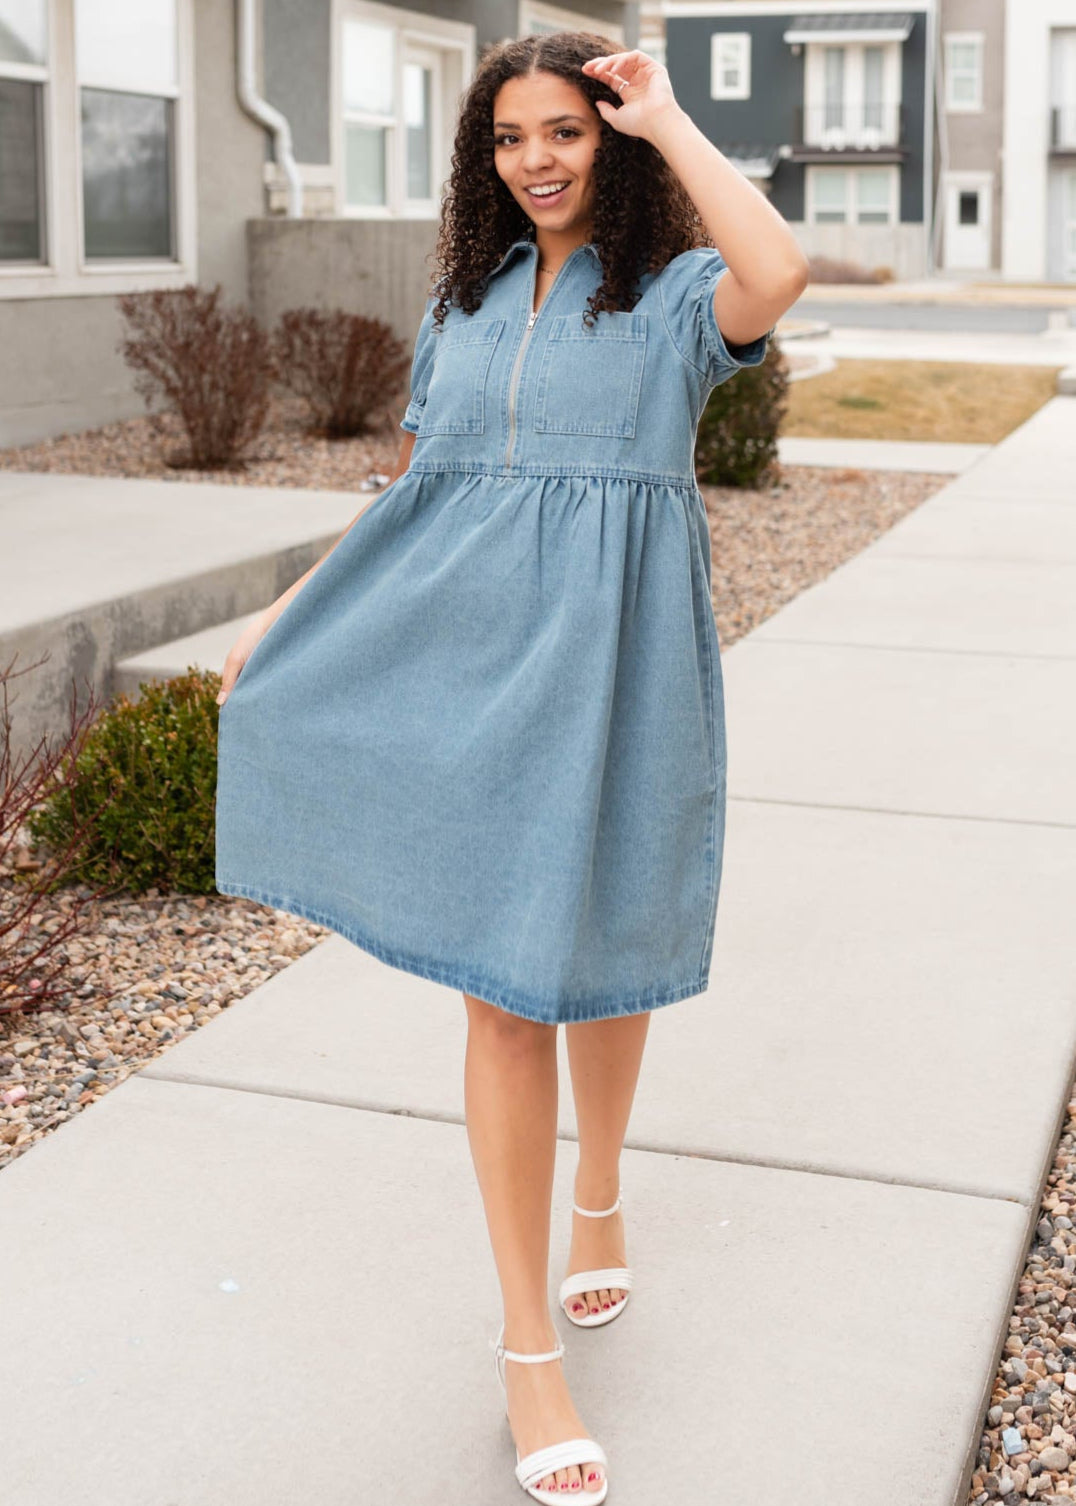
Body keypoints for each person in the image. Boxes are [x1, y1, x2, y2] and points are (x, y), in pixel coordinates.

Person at [214, 32, 808, 1502]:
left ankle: (599, 1195)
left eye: (566, 130)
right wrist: (288, 615)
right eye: (510, 137)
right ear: (485, 160)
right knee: (501, 994)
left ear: (605, 138)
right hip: (474, 664)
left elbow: (780, 271)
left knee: (602, 953)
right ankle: (527, 1344)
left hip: (617, 672)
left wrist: (667, 118)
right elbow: (417, 483)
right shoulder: (463, 305)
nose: (538, 158)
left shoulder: (673, 298)